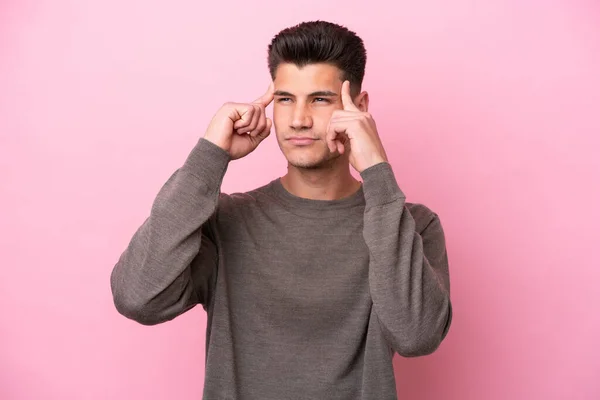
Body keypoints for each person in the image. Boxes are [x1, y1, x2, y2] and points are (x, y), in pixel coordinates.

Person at [110, 20, 452, 400]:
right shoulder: (226, 222)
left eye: (320, 99)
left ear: (360, 107)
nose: (298, 119)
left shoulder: (412, 225)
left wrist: (377, 173)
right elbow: (137, 297)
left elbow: (416, 335)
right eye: (286, 99)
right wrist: (209, 156)